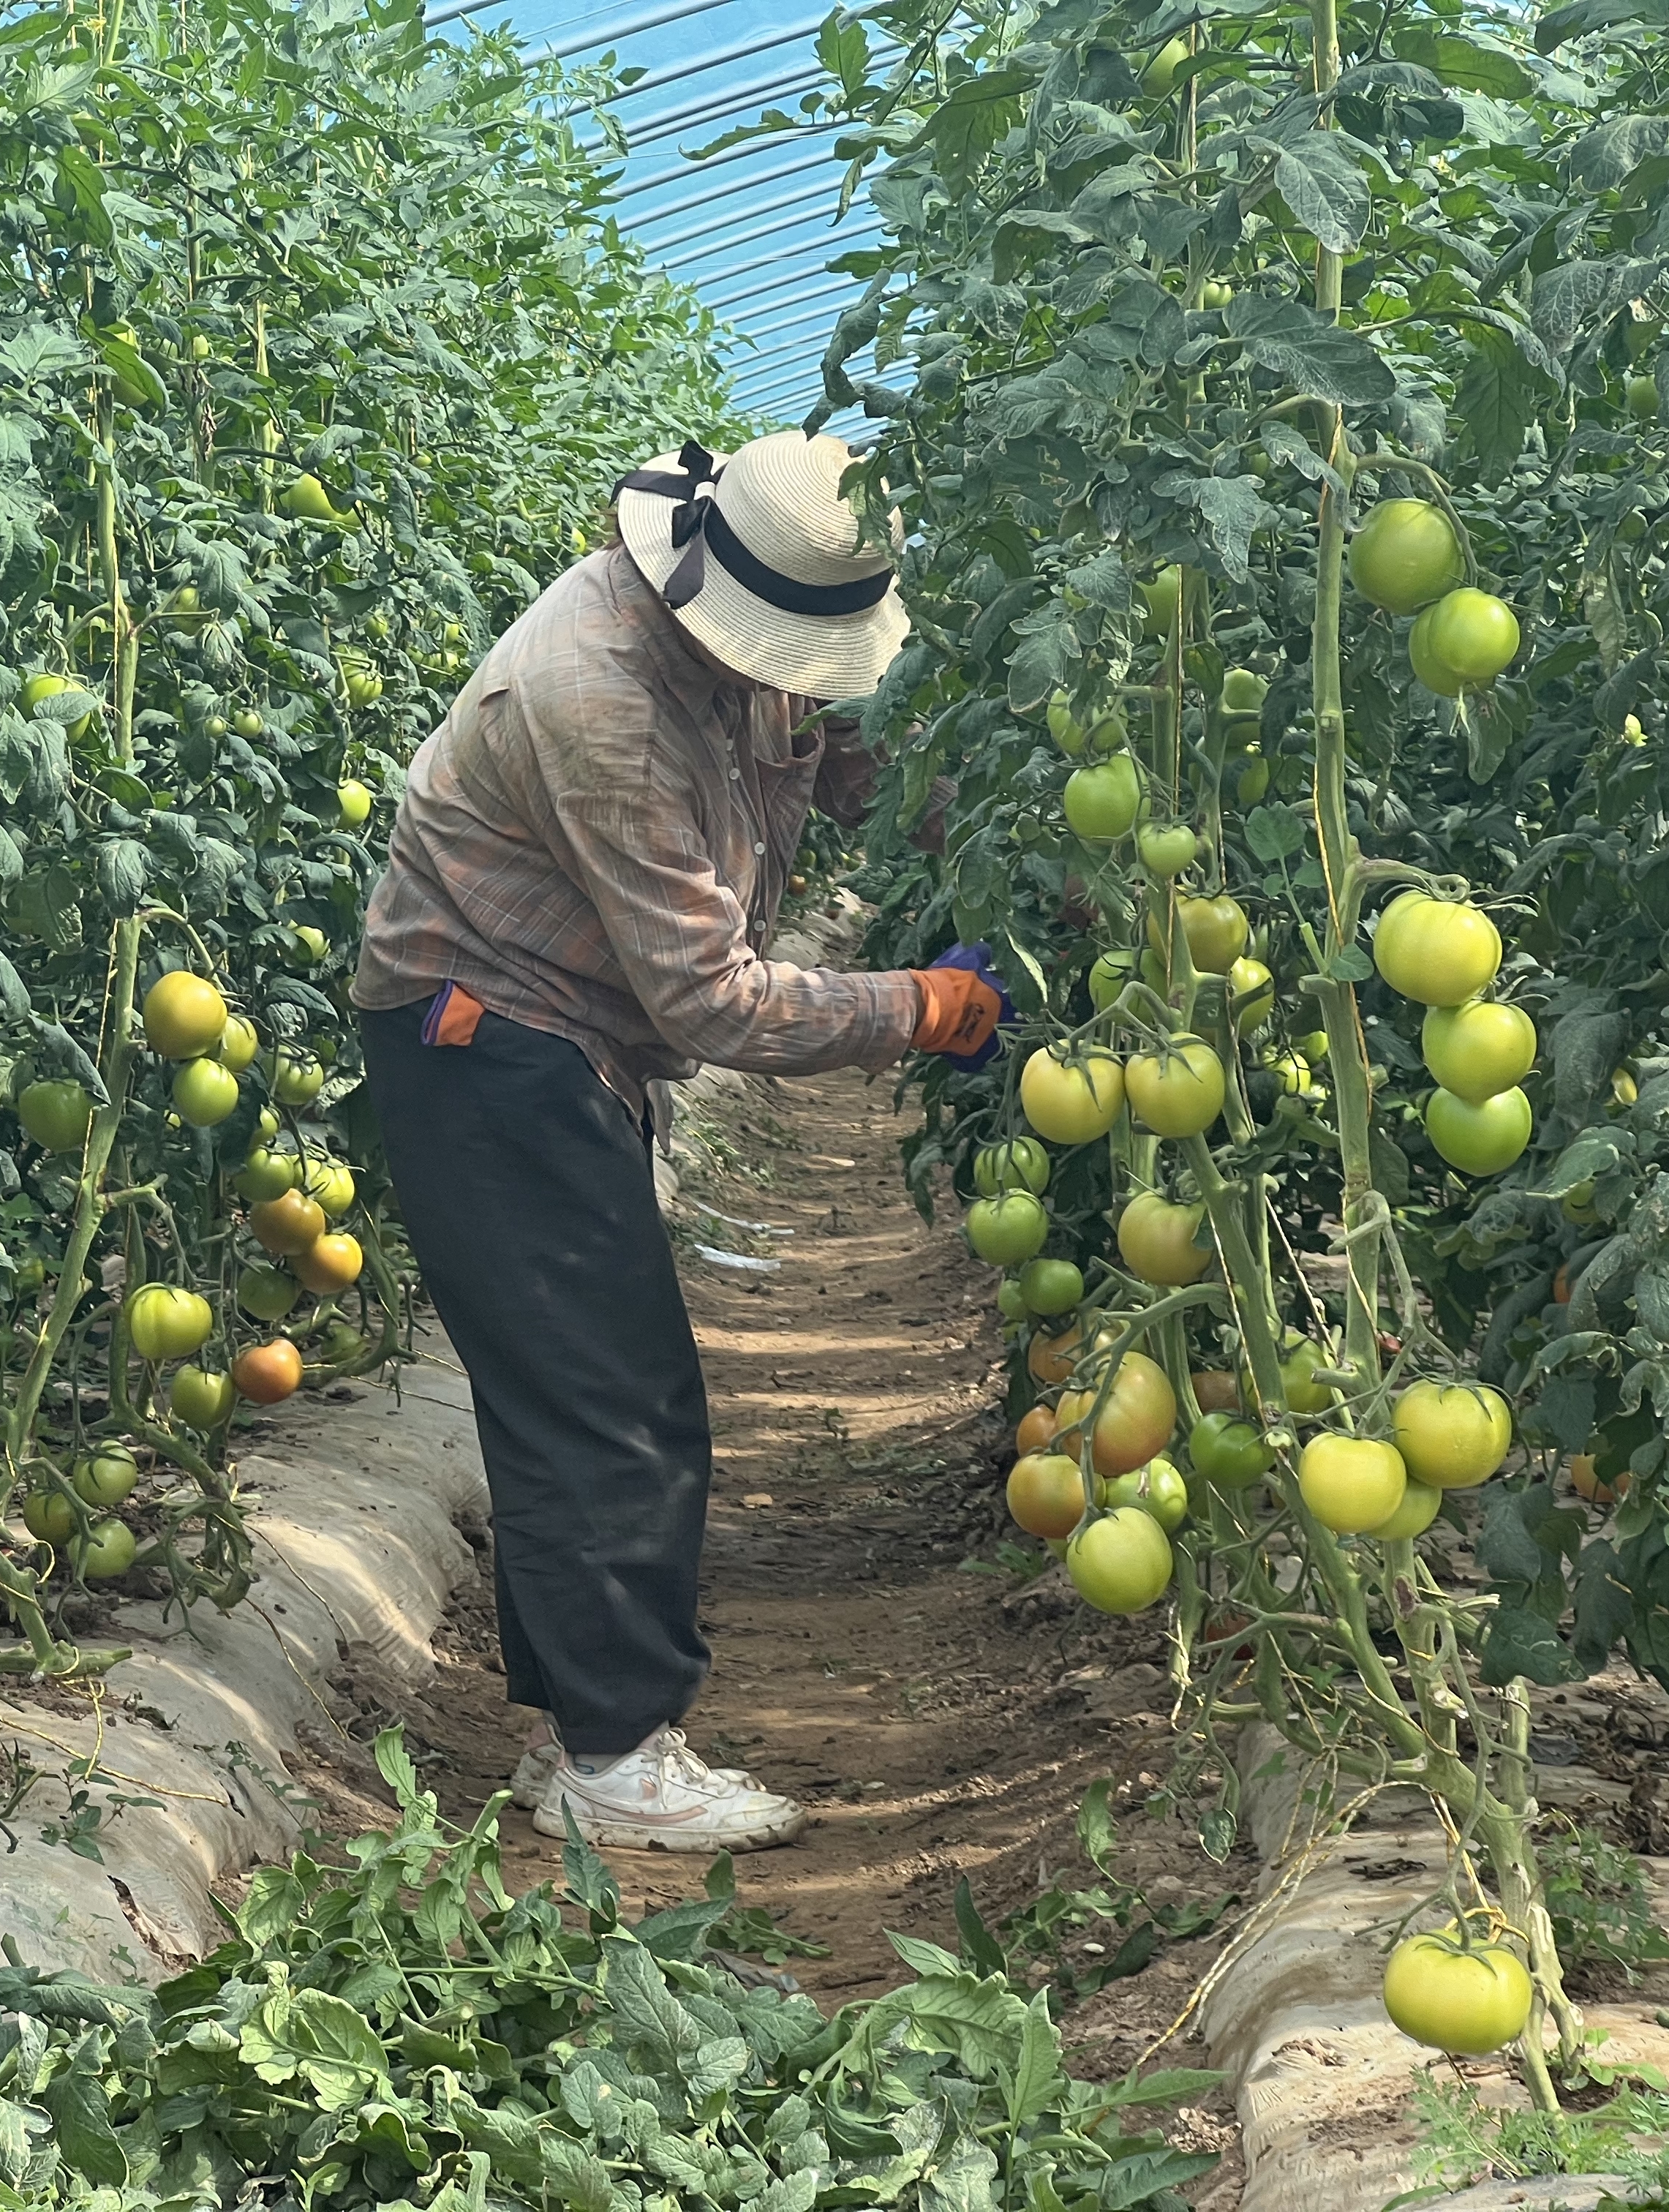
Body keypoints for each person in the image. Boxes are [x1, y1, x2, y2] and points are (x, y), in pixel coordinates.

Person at [353, 430, 1008, 1851]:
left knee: (592, 1388)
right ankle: (616, 1763)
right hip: (485, 1038)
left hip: (558, 1034)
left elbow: (849, 761)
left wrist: (994, 836)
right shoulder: (601, 697)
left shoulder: (739, 632)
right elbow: (711, 1001)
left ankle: (582, 1737)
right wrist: (927, 1004)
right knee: (608, 1400)